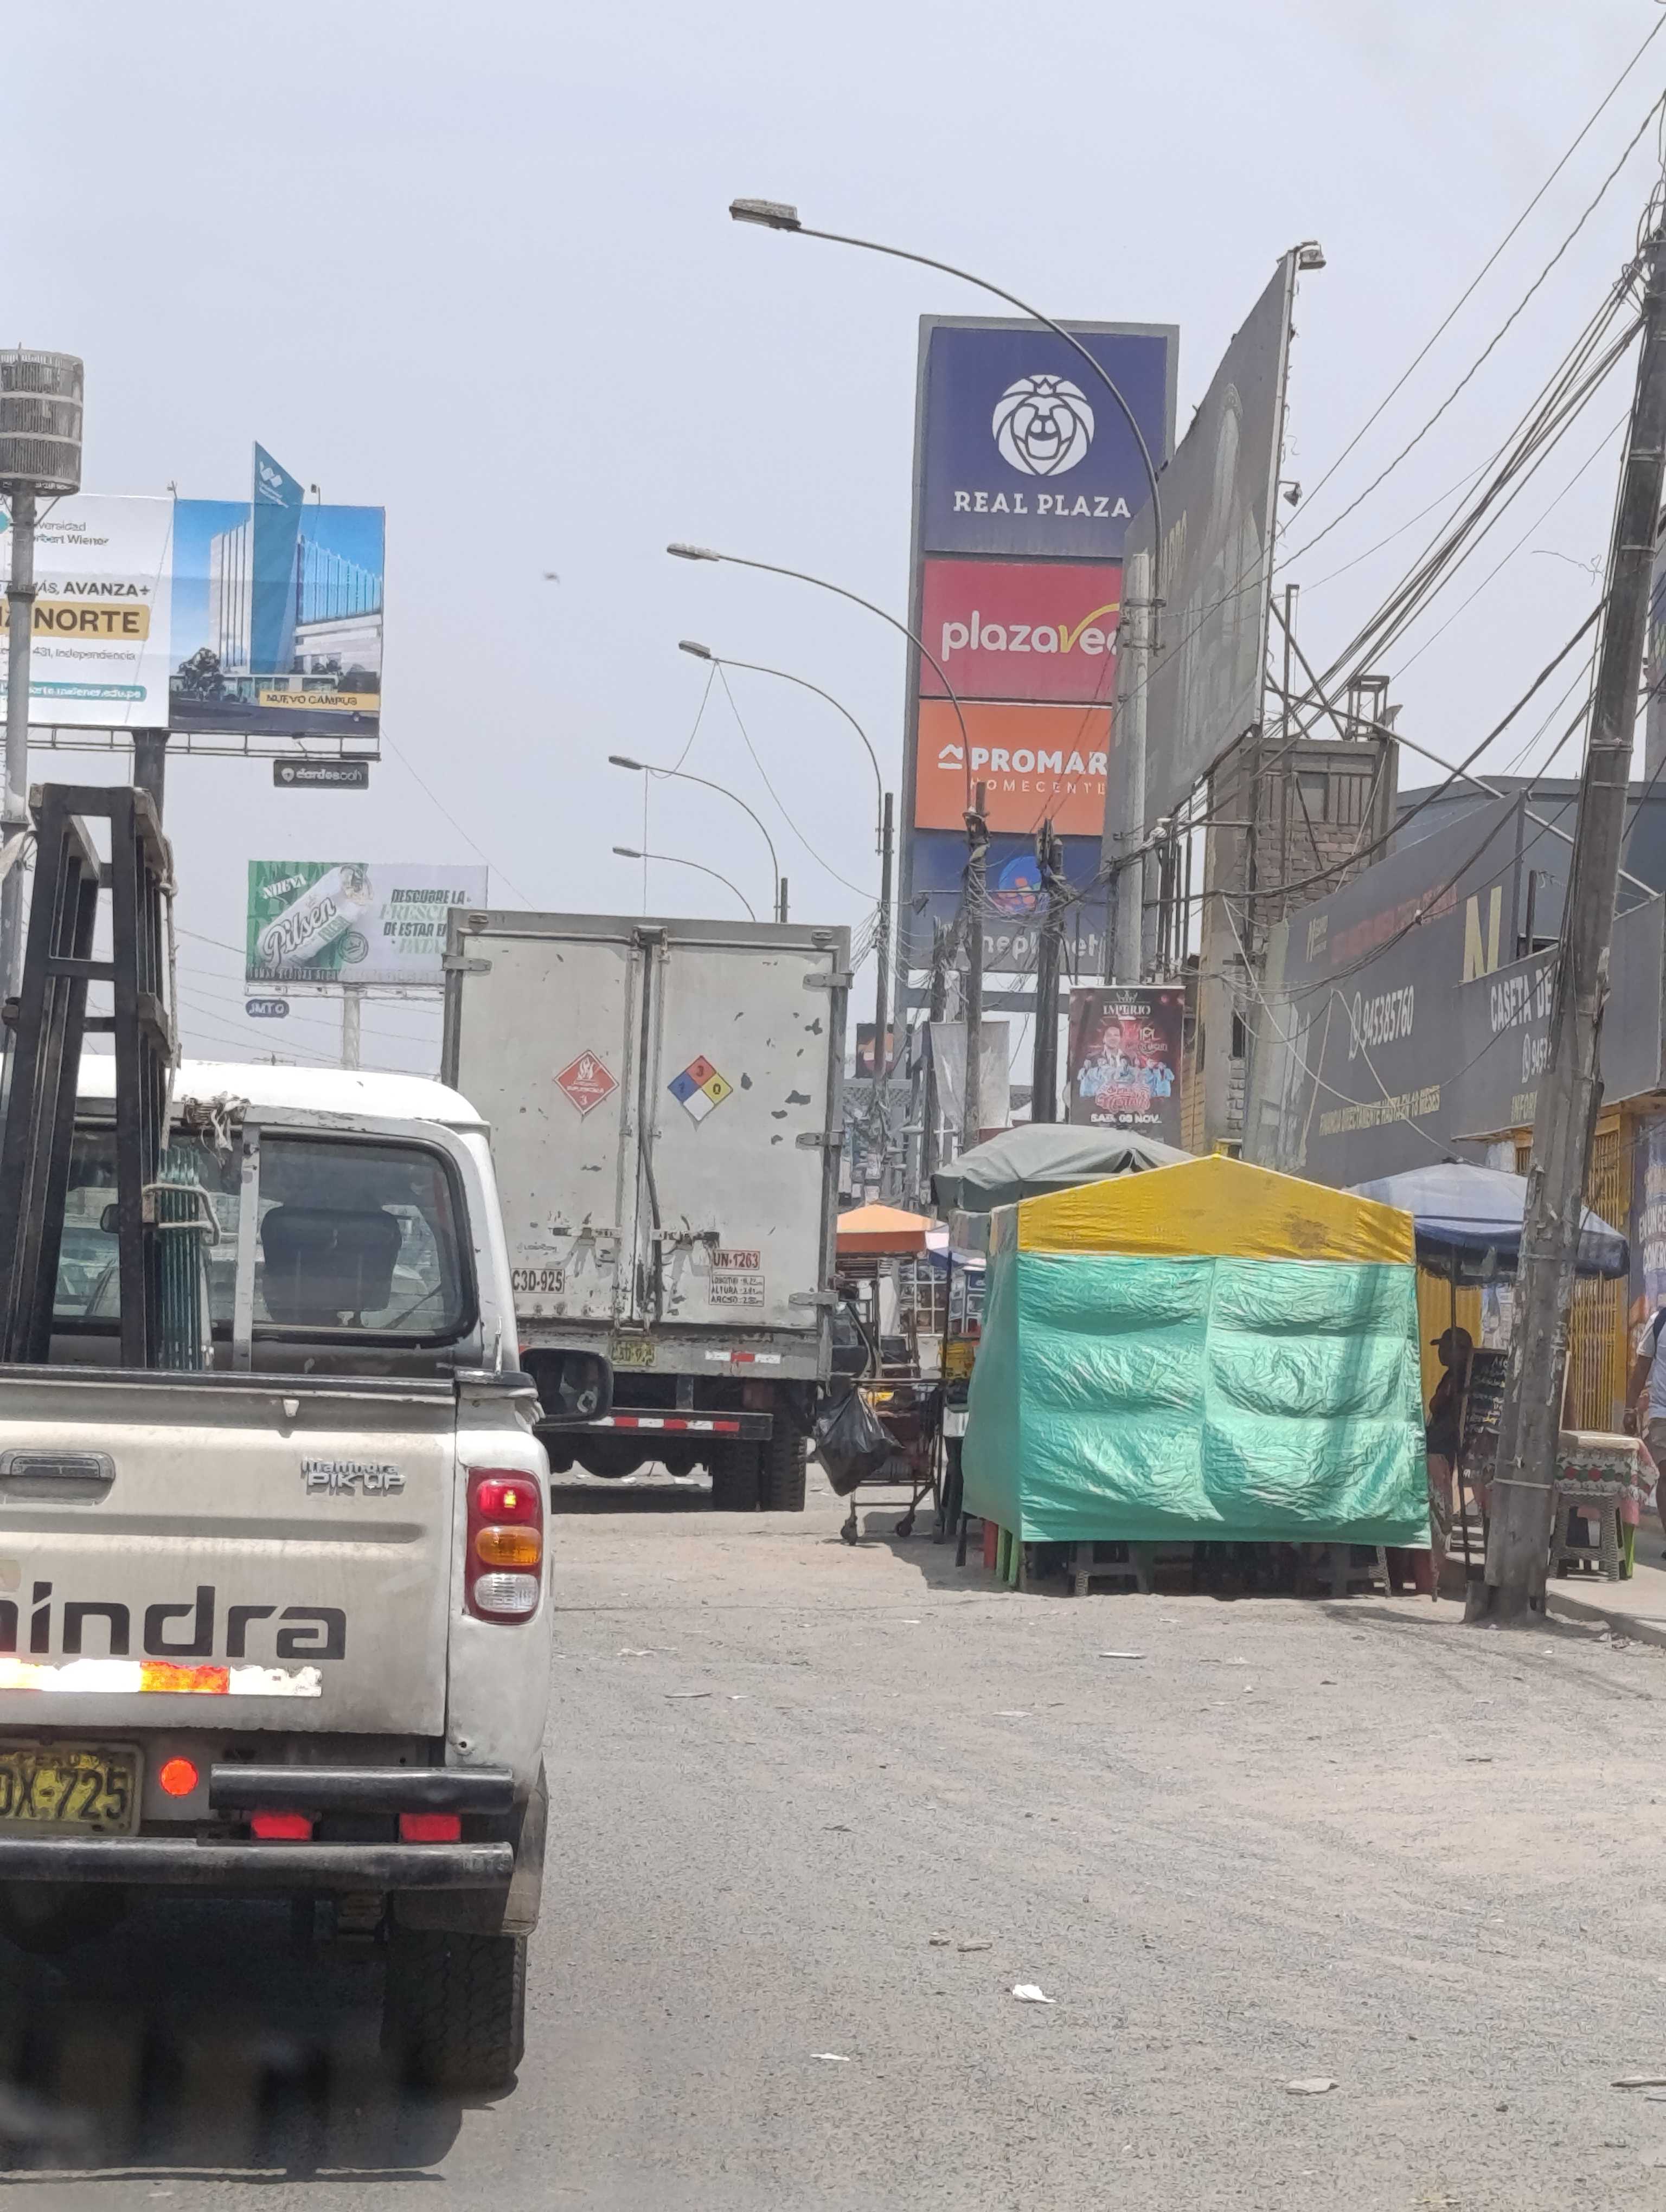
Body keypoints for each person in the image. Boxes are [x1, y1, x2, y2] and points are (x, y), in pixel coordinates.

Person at [1425, 1326, 1473, 1574]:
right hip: (1438, 1441)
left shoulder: (1463, 1379)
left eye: (1446, 1348)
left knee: (1440, 1498)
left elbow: (1447, 1413)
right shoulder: (1450, 1377)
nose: (1441, 1353)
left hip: (1444, 1447)